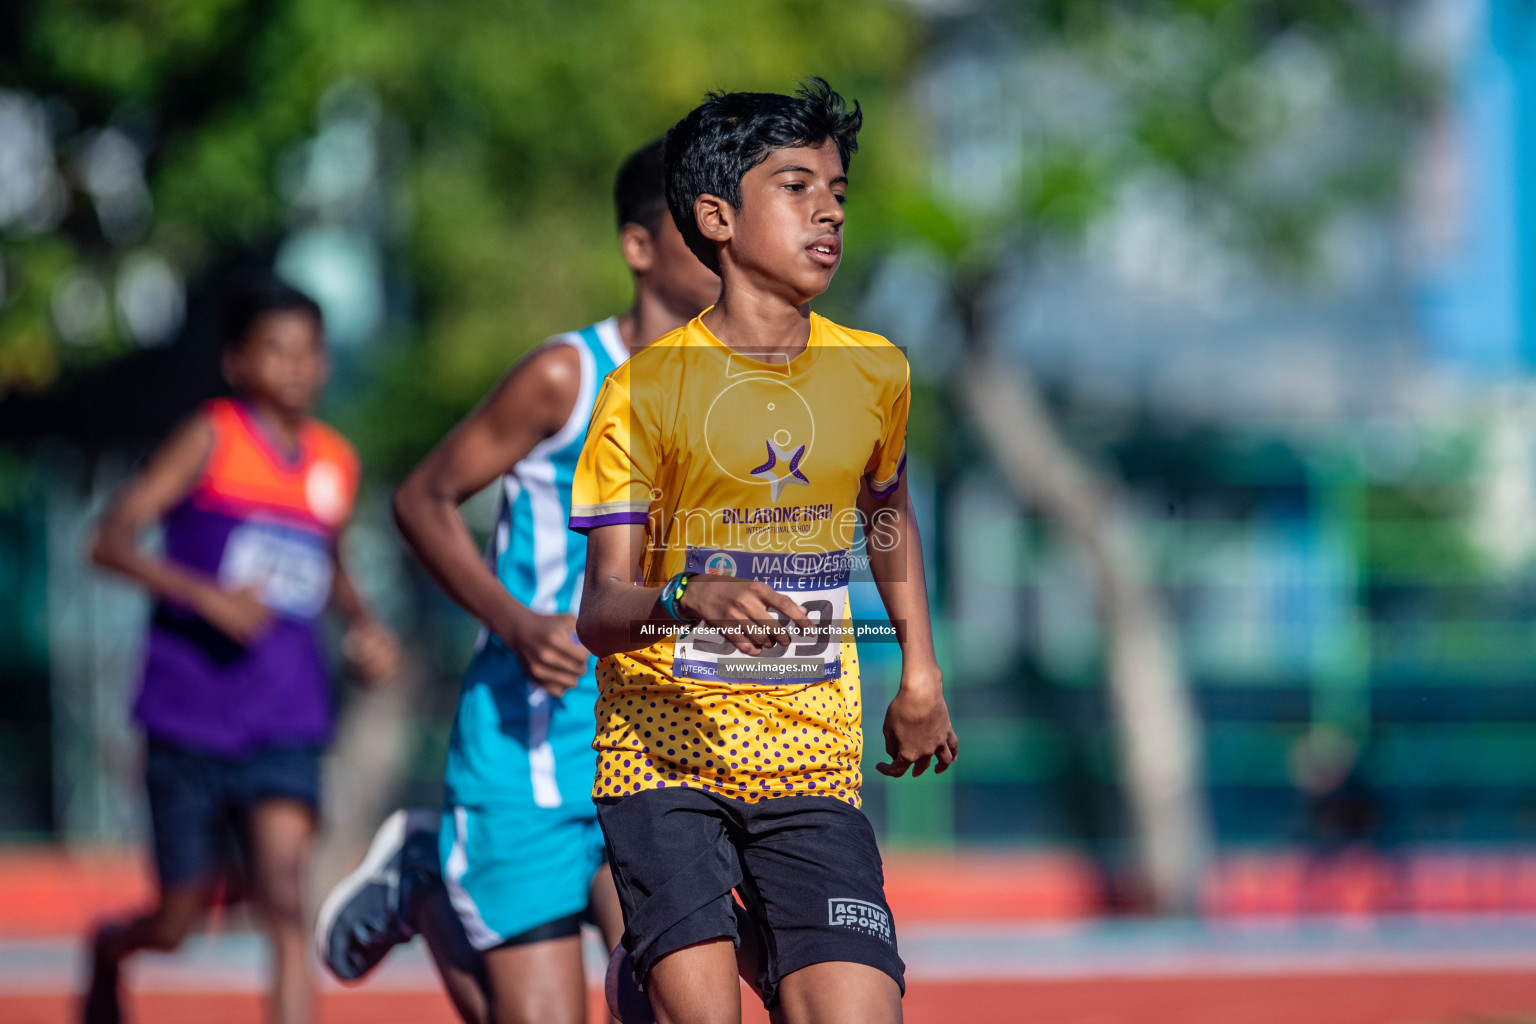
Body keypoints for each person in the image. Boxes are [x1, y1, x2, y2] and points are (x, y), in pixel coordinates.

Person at [570, 79, 960, 1024]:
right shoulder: (643, 391)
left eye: (837, 190)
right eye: (795, 186)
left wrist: (919, 671)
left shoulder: (877, 371)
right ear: (717, 217)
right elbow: (599, 613)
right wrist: (683, 598)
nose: (828, 209)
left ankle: (685, 956)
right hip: (664, 757)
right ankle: (664, 960)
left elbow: (886, 515)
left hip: (812, 760)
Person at [312, 139, 721, 1024]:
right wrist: (518, 622)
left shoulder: (734, 394)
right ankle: (426, 880)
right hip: (532, 737)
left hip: (651, 748)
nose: (720, 247)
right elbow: (422, 498)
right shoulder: (564, 378)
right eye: (697, 227)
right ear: (639, 246)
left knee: (671, 1002)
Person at [81, 278, 400, 1024]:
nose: (295, 366)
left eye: (310, 350)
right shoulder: (211, 437)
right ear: (237, 362)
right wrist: (203, 595)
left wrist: (365, 626)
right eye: (276, 349)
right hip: (189, 714)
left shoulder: (333, 463)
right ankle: (112, 948)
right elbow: (108, 541)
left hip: (287, 715)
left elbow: (332, 570)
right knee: (180, 920)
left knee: (286, 900)